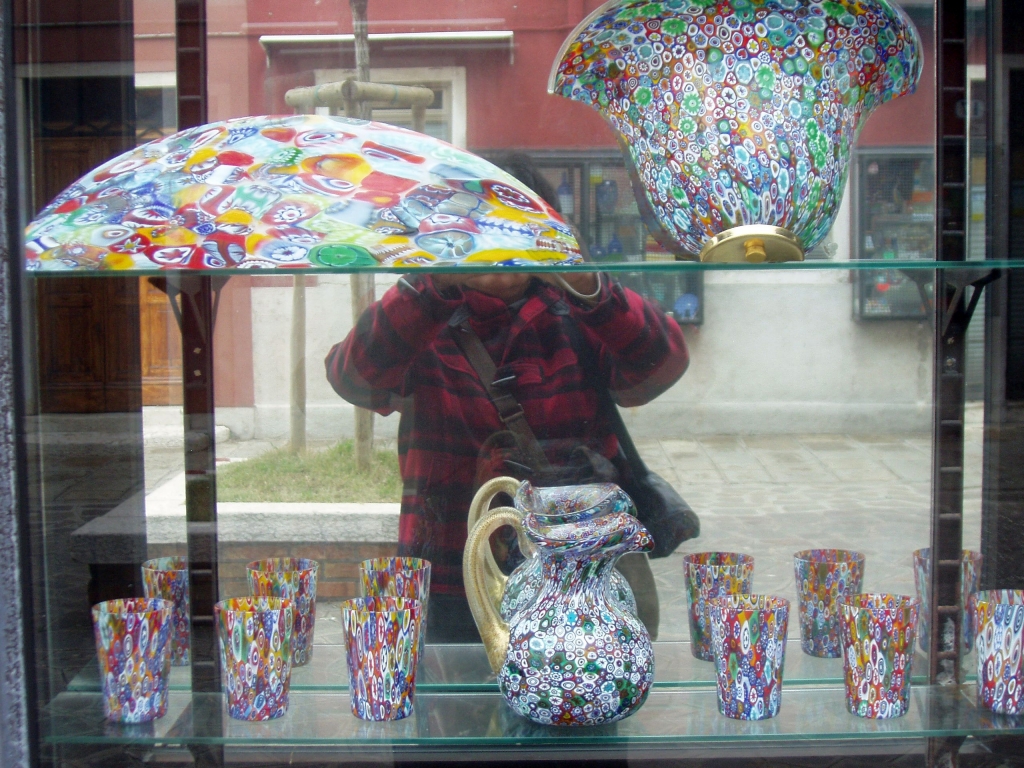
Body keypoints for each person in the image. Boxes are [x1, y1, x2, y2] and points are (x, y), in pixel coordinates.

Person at [325, 161, 689, 642]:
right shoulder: (425, 312)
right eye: (483, 227)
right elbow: (353, 378)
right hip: (453, 561)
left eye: (515, 228)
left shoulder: (576, 308)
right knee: (453, 684)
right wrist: (433, 282)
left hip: (576, 572)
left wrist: (591, 288)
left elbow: (662, 363)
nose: (499, 247)